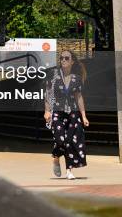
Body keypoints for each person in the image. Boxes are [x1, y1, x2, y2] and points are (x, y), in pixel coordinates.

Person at [44, 50, 89, 180]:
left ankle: (69, 171)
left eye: (66, 58)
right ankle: (56, 158)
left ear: (72, 61)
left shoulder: (76, 79)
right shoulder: (53, 76)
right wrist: (47, 111)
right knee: (60, 140)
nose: (63, 60)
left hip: (73, 114)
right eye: (61, 58)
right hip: (57, 112)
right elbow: (48, 94)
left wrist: (84, 116)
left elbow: (79, 97)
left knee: (70, 142)